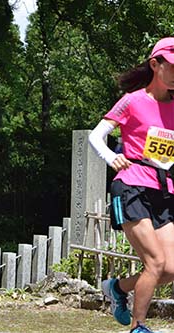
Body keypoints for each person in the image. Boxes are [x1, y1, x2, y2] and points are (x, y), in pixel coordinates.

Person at [89, 37, 174, 333]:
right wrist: (112, 158)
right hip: (131, 185)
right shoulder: (132, 100)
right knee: (154, 261)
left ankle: (117, 288)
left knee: (169, 269)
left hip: (164, 190)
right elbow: (95, 136)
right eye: (173, 67)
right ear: (155, 65)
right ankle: (139, 327)